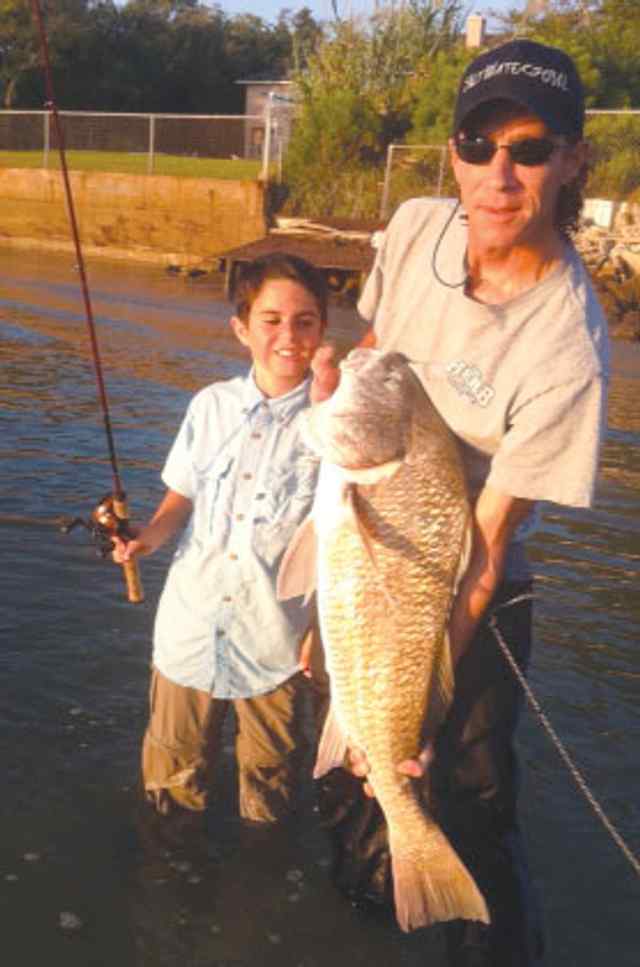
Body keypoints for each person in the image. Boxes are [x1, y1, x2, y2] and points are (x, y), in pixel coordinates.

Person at [310, 39, 609, 967]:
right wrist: (333, 388)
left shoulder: (572, 347)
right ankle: (376, 905)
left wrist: (420, 701)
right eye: (477, 145)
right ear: (453, 154)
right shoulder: (413, 226)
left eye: (529, 147)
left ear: (570, 161)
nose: (499, 172)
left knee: (471, 800)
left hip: (469, 578)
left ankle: (491, 946)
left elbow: (482, 548)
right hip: (363, 561)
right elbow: (374, 355)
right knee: (352, 781)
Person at [112, 252, 327, 830]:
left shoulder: (333, 422)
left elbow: (344, 542)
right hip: (189, 631)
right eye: (271, 319)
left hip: (278, 641)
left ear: (323, 331)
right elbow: (179, 500)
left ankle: (257, 897)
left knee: (271, 799)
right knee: (171, 793)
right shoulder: (209, 405)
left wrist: (323, 633)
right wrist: (145, 539)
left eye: (305, 321)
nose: (288, 336)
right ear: (242, 328)